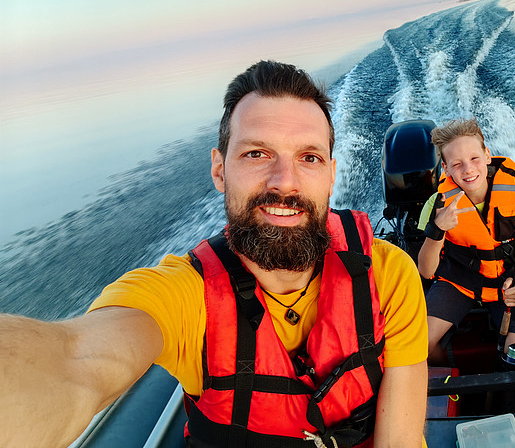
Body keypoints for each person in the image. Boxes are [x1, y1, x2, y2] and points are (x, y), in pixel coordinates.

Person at [0, 61, 428, 448]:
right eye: (257, 153)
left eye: (309, 157)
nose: (285, 181)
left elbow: (400, 441)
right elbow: (76, 359)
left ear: (331, 176)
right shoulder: (185, 297)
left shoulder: (388, 274)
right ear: (219, 169)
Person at [417, 118, 515, 368]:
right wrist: (438, 229)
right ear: (445, 168)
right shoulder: (436, 206)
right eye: (457, 164)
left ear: (487, 155)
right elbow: (426, 270)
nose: (468, 169)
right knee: (419, 344)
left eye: (474, 159)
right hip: (459, 282)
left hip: (507, 285)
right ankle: (450, 383)